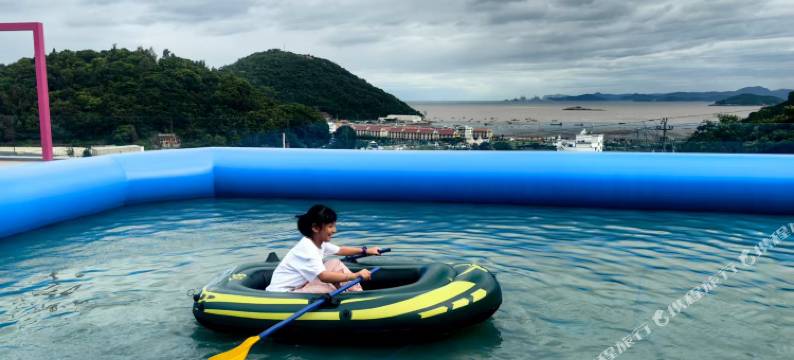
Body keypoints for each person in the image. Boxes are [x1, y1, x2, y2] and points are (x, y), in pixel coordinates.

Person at [265, 204, 381, 293]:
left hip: (303, 284)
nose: (334, 230)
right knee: (328, 286)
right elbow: (324, 277)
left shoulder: (318, 242)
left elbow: (340, 250)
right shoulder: (307, 249)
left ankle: (356, 294)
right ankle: (348, 297)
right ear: (316, 228)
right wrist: (354, 276)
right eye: (330, 226)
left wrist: (366, 251)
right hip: (284, 294)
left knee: (335, 263)